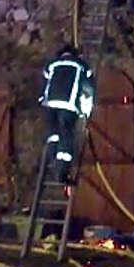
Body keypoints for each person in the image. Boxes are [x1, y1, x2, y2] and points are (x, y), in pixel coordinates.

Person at [39, 44, 96, 181]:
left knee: (53, 136)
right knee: (66, 137)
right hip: (68, 105)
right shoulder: (81, 65)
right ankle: (62, 172)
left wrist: (42, 100)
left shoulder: (52, 64)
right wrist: (87, 112)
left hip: (50, 105)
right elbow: (88, 89)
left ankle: (53, 160)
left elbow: (45, 83)